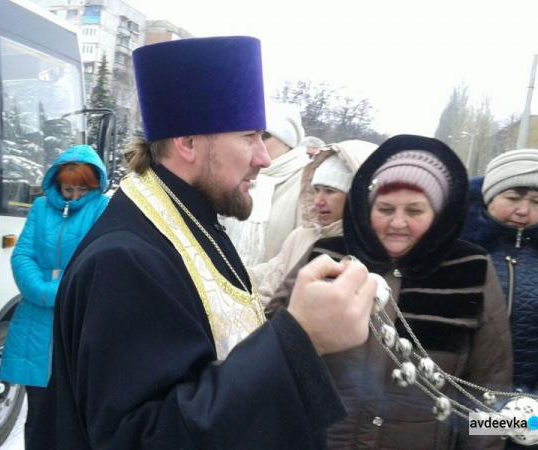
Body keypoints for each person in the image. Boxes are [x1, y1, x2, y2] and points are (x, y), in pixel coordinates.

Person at [32, 36, 377, 449]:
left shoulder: (190, 219)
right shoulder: (125, 260)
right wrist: (299, 339)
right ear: (188, 143)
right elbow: (145, 439)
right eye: (249, 136)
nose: (264, 158)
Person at [266, 135, 512, 449]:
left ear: (437, 214)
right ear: (367, 209)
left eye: (414, 211)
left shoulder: (470, 268)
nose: (398, 222)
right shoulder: (328, 257)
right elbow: (273, 343)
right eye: (385, 208)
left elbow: (490, 381)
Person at [0, 145, 109, 440]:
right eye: (68, 188)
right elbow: (23, 255)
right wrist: (44, 291)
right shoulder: (40, 208)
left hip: (77, 322)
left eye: (82, 189)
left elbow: (100, 261)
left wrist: (61, 292)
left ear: (95, 186)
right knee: (37, 414)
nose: (74, 196)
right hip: (36, 319)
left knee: (72, 418)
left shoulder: (103, 209)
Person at [460, 149, 538, 406]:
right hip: (457, 403)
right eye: (513, 198)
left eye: (537, 202)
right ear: (489, 196)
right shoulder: (456, 246)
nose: (523, 210)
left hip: (531, 407)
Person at [251, 140, 377, 305]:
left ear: (356, 197)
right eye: (316, 190)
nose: (318, 201)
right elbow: (267, 295)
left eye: (330, 191)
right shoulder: (299, 237)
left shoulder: (372, 249)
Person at [221, 101, 309, 266]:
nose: (257, 145)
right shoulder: (237, 173)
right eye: (249, 136)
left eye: (265, 136)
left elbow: (299, 258)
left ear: (287, 142)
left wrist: (247, 280)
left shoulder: (307, 184)